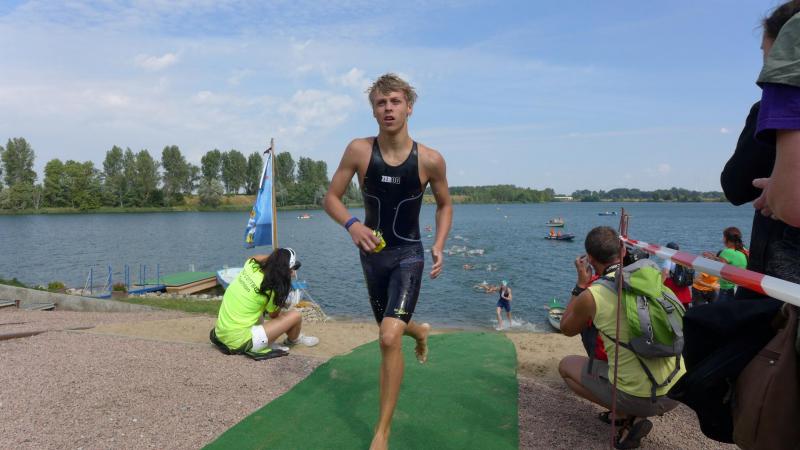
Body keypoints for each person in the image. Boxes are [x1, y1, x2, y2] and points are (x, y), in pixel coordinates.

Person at [322, 73, 453, 450]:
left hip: (408, 255)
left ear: (409, 107)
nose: (388, 109)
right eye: (381, 103)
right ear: (374, 111)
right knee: (389, 329)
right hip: (373, 257)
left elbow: (445, 205)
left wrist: (439, 243)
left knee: (388, 336)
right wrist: (352, 225)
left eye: (395, 101)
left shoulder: (430, 159)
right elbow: (331, 198)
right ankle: (420, 331)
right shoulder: (359, 151)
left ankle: (382, 432)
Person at [559, 227, 683, 449]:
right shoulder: (654, 278)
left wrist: (580, 285)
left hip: (639, 397)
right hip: (677, 391)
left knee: (566, 366)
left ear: (589, 259)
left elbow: (566, 328)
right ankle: (630, 413)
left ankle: (626, 413)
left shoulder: (593, 294)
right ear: (624, 251)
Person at [210, 248, 319, 360]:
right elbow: (274, 316)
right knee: (295, 316)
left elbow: (255, 257)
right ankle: (293, 340)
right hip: (240, 342)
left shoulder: (250, 266)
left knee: (257, 306)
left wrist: (276, 260)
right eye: (293, 268)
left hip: (221, 333)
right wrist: (282, 291)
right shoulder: (272, 289)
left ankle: (267, 338)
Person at [702, 227, 748, 303]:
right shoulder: (743, 251)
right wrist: (715, 257)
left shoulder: (726, 252)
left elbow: (719, 269)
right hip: (739, 289)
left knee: (720, 310)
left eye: (723, 237)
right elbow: (731, 265)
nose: (722, 239)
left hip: (727, 290)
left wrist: (710, 260)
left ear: (726, 239)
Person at [661, 242, 692, 308]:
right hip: (683, 283)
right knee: (685, 305)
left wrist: (660, 284)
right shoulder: (683, 257)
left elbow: (665, 272)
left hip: (674, 284)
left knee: (673, 303)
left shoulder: (669, 258)